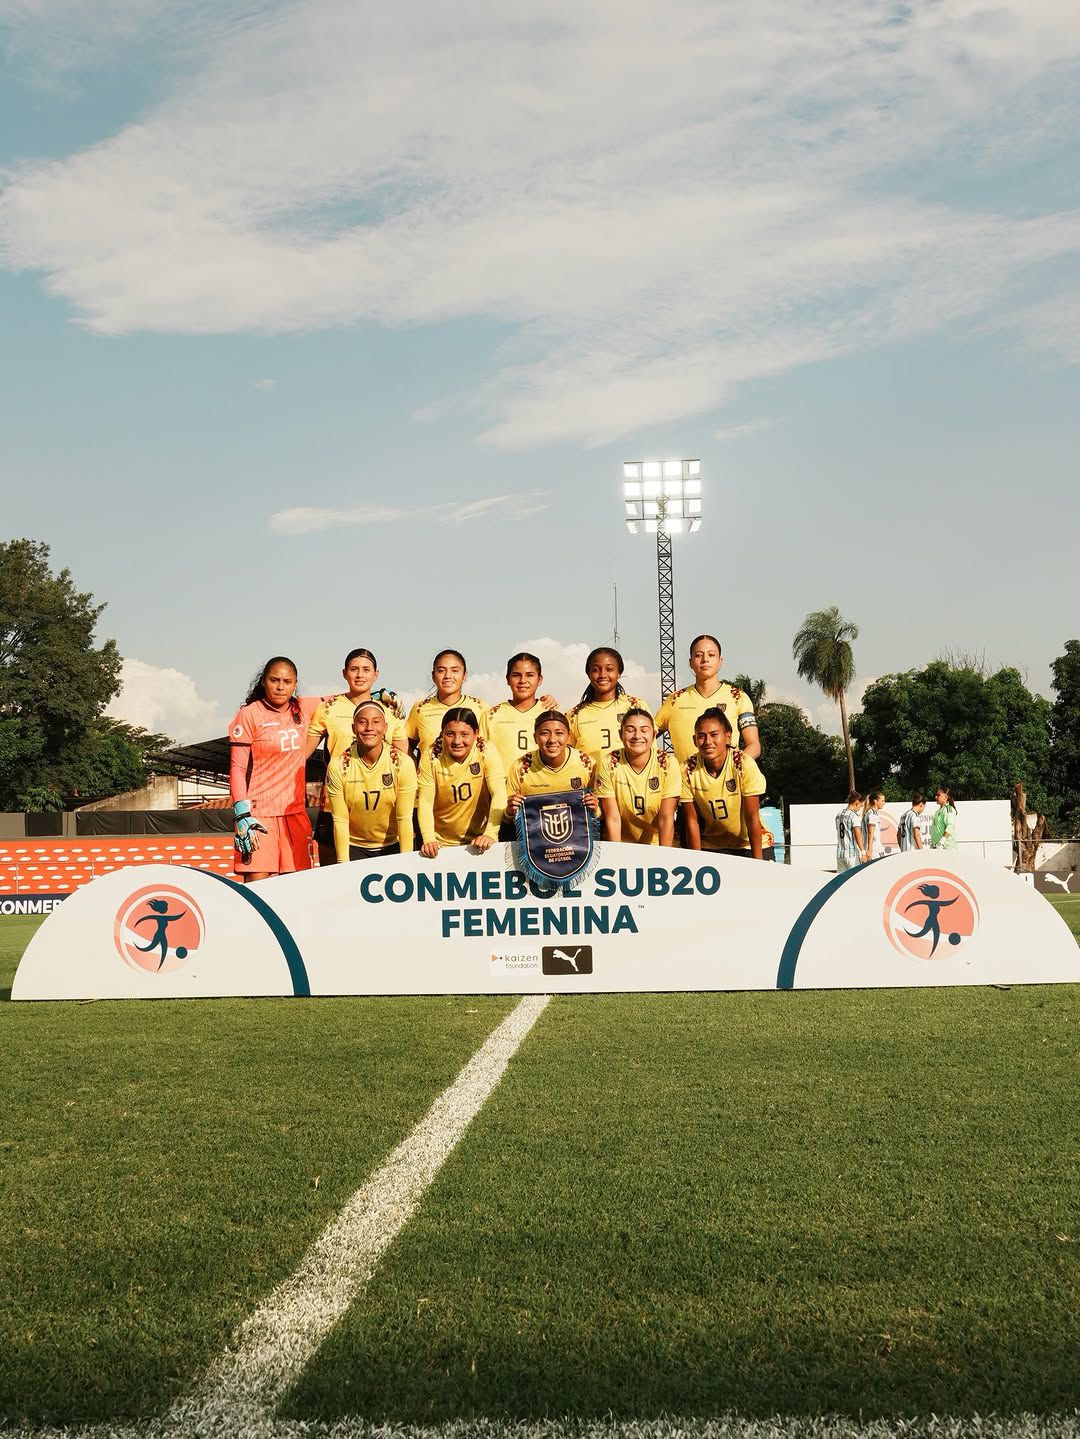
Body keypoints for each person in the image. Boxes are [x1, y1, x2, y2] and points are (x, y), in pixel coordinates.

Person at [306, 647, 406, 866]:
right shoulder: (328, 708)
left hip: (381, 809)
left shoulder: (389, 710)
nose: (360, 675)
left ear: (376, 674)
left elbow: (404, 759)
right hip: (335, 804)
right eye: (354, 669)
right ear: (344, 673)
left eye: (366, 670)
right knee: (334, 878)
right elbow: (302, 754)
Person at [229, 656, 320, 882]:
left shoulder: (304, 707)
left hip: (295, 815)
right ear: (263, 682)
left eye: (287, 681)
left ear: (295, 684)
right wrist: (242, 814)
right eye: (274, 680)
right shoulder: (249, 714)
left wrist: (378, 696)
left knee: (297, 890)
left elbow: (340, 700)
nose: (280, 686)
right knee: (258, 890)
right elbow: (238, 767)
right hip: (258, 816)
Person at [324, 701, 418, 863]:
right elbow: (340, 820)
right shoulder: (339, 766)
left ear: (386, 727)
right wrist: (343, 863)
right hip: (354, 846)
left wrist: (406, 862)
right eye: (362, 722)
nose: (369, 728)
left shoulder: (402, 763)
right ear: (354, 728)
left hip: (392, 845)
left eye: (376, 722)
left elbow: (404, 818)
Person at [655, 634, 761, 763]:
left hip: (727, 781)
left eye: (711, 655)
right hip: (685, 782)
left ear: (720, 661)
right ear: (690, 662)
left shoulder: (738, 698)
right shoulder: (674, 700)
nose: (705, 659)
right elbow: (644, 735)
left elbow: (754, 746)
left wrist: (734, 767)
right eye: (698, 655)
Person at [417, 708, 506, 856]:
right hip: (441, 843)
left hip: (479, 840)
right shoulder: (431, 755)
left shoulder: (486, 750)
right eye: (450, 734)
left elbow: (499, 793)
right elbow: (425, 801)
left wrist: (490, 833)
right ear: (442, 733)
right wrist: (428, 839)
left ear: (476, 733)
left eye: (465, 734)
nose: (457, 741)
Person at [681, 707, 766, 858]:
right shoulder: (687, 769)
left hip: (748, 845)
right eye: (701, 736)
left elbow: (752, 817)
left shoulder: (743, 764)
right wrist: (696, 861)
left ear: (728, 737)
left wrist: (758, 863)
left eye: (714, 735)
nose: (708, 742)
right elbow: (692, 821)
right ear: (694, 740)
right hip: (712, 847)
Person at [596, 708, 680, 846]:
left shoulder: (668, 763)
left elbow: (666, 818)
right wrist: (616, 856)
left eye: (644, 730)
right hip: (623, 844)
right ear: (620, 734)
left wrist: (666, 857)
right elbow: (613, 818)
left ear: (654, 734)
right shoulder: (608, 762)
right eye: (630, 730)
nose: (637, 736)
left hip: (657, 844)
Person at [505, 711, 597, 824]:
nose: (552, 740)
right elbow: (507, 819)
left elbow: (601, 814)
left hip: (578, 837)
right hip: (536, 838)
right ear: (535, 738)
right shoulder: (520, 767)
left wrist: (595, 808)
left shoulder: (587, 764)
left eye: (559, 733)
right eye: (544, 733)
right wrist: (510, 811)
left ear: (568, 736)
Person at [567, 647, 650, 762]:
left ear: (619, 673)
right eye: (596, 670)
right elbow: (568, 758)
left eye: (609, 669)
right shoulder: (574, 715)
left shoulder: (636, 706)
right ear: (588, 673)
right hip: (590, 779)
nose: (602, 675)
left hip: (628, 779)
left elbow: (650, 749)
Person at [481, 653, 560, 770]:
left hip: (541, 785)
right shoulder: (491, 716)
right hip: (503, 786)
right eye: (516, 675)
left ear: (539, 679)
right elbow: (481, 755)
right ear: (507, 679)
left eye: (530, 675)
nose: (523, 680)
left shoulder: (550, 713)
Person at [406, 650, 490, 758]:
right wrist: (415, 769)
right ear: (433, 676)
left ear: (464, 675)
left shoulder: (481, 707)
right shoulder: (420, 709)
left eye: (455, 670)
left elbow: (491, 747)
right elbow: (405, 746)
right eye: (441, 671)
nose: (448, 676)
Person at [835, 791, 865, 871]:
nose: (860, 809)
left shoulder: (839, 814)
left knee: (842, 880)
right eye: (860, 806)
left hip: (840, 854)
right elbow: (857, 834)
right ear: (856, 802)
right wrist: (863, 852)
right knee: (855, 880)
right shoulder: (854, 816)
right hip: (852, 854)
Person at [930, 785, 959, 850]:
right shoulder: (937, 812)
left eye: (938, 795)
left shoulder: (949, 809)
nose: (936, 797)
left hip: (947, 848)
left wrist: (942, 842)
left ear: (946, 796)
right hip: (937, 847)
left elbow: (949, 826)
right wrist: (933, 844)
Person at [862, 790, 886, 862]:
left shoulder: (871, 813)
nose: (884, 803)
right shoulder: (872, 814)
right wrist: (870, 849)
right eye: (882, 801)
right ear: (875, 801)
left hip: (875, 847)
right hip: (874, 849)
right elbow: (870, 833)